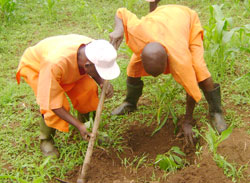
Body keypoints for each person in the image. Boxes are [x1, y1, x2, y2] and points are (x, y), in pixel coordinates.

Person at [109, 5, 227, 145]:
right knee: (133, 67)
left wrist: (187, 122)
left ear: (168, 59)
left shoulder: (180, 59)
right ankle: (130, 103)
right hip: (161, 17)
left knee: (200, 70)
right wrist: (118, 30)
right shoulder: (138, 33)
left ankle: (216, 112)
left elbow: (191, 87)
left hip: (186, 19)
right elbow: (121, 12)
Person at [16, 34, 120, 156]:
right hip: (39, 68)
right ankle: (46, 140)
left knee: (88, 90)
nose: (102, 74)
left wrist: (102, 82)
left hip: (69, 70)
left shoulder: (94, 49)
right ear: (87, 66)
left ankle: (88, 129)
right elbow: (53, 104)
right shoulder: (54, 64)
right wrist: (77, 125)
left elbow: (95, 69)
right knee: (51, 106)